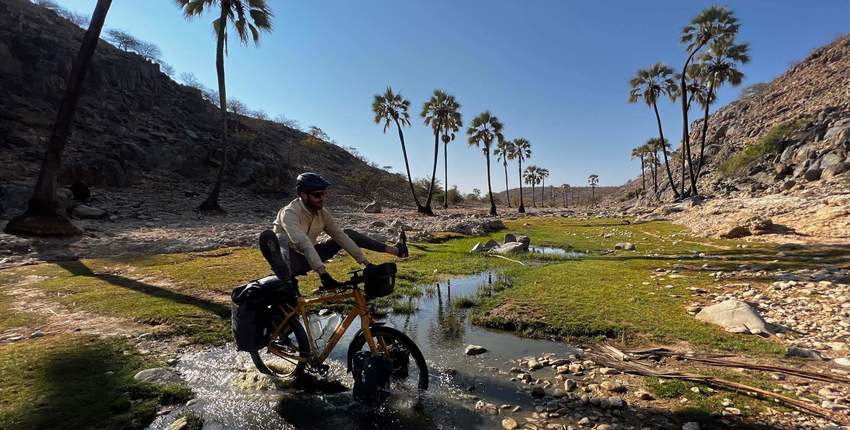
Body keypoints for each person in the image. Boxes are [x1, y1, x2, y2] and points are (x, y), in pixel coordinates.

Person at [271, 172, 408, 290]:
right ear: (303, 195)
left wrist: (367, 264)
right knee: (280, 240)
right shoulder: (290, 213)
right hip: (291, 257)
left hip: (308, 256)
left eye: (324, 194)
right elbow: (302, 242)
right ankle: (286, 279)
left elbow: (341, 237)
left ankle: (397, 250)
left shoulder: (322, 213)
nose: (322, 198)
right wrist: (323, 274)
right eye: (317, 195)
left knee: (347, 233)